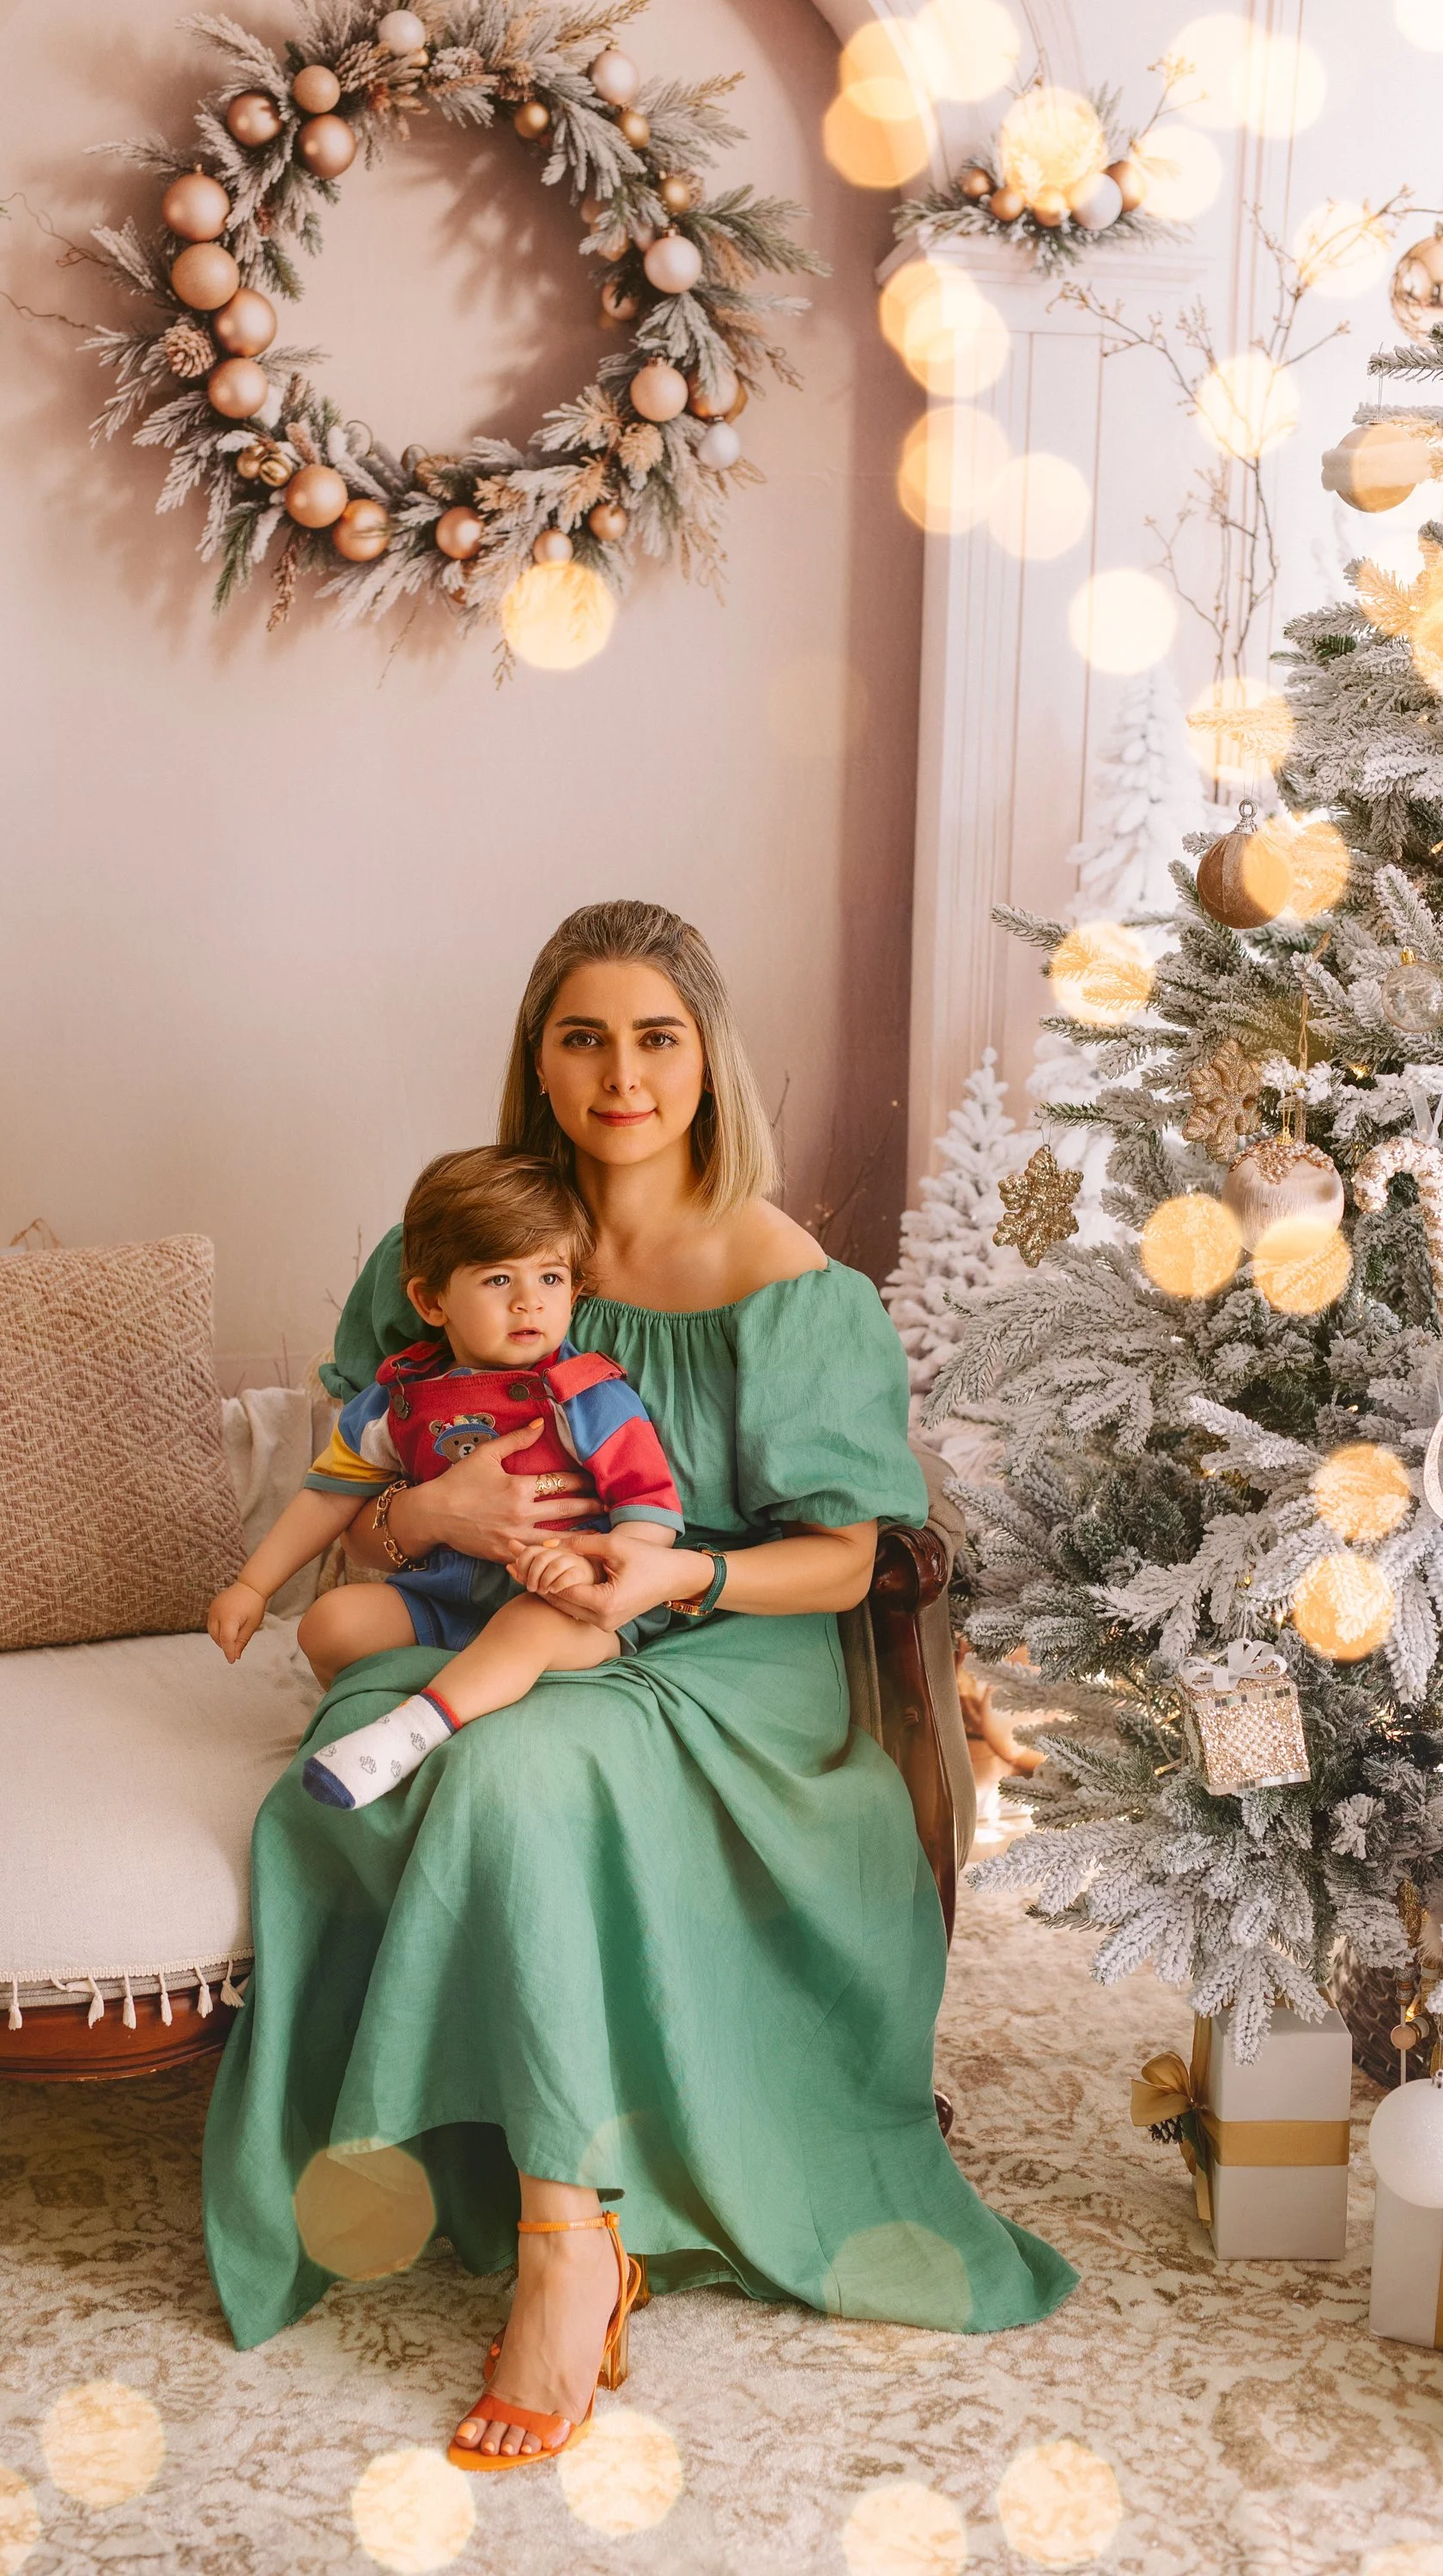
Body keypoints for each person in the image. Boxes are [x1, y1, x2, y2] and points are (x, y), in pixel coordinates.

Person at [202, 899, 1076, 2472]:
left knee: (519, 1772)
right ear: (537, 1062)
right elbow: (360, 1497)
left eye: (656, 1037)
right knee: (387, 1743)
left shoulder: (781, 1281)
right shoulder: (456, 1248)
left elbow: (857, 1556)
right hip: (485, 1609)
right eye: (583, 1036)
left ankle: (562, 2244)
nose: (622, 1074)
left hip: (724, 1637)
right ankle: (543, 2188)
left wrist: (678, 1573)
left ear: (706, 1058)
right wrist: (432, 1517)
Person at [206, 1145, 685, 1810]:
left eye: (551, 1279)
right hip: (445, 1605)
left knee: (527, 1625)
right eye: (497, 1281)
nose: (530, 1305)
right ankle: (450, 1690)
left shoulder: (583, 1394)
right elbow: (327, 1496)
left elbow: (651, 1508)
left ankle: (412, 1731)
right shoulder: (400, 1398)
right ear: (431, 1301)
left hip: (568, 1610)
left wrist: (598, 1572)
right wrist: (253, 1584)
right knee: (328, 1625)